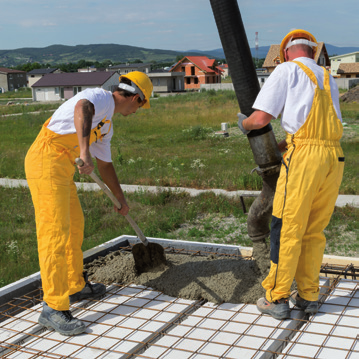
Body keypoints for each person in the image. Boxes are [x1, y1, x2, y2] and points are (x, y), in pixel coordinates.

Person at [25, 71, 153, 335]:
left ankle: (74, 286)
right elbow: (83, 107)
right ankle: (53, 307)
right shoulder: (100, 98)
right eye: (141, 104)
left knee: (74, 227)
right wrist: (84, 151)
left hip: (61, 168)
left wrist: (120, 199)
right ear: (136, 97)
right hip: (45, 161)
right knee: (54, 234)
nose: (138, 111)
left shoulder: (106, 125)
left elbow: (105, 164)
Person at [238, 29, 344, 320]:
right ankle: (308, 297)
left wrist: (244, 125)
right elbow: (313, 127)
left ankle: (277, 297)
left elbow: (260, 119)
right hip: (333, 158)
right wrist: (287, 143)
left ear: (285, 53)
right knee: (313, 231)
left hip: (305, 162)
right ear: (312, 51)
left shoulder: (286, 70)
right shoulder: (326, 77)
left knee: (287, 228)